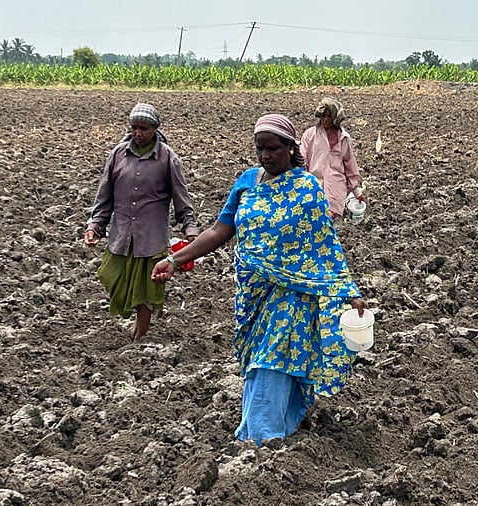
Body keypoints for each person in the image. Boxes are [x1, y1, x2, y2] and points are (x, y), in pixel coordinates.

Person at [151, 114, 369, 447]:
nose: (265, 156)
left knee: (274, 355)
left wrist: (348, 292)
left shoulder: (307, 188)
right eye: (259, 149)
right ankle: (283, 422)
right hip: (254, 293)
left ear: (290, 148)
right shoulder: (248, 183)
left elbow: (325, 248)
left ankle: (261, 434)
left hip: (293, 292)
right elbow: (220, 230)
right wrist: (174, 259)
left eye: (272, 149)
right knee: (262, 357)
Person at [84, 103, 199, 342]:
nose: (138, 133)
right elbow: (104, 196)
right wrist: (96, 226)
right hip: (122, 234)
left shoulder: (167, 158)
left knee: (146, 289)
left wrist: (190, 229)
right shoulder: (118, 154)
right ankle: (137, 330)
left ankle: (140, 336)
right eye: (134, 127)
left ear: (155, 129)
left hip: (151, 236)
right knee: (112, 276)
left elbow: (181, 198)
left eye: (144, 128)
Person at [300, 97, 367, 220]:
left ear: (336, 118)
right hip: (313, 188)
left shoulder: (344, 139)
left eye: (329, 116)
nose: (325, 120)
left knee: (329, 224)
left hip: (336, 189)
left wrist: (356, 192)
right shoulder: (310, 135)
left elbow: (349, 165)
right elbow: (302, 162)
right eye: (323, 116)